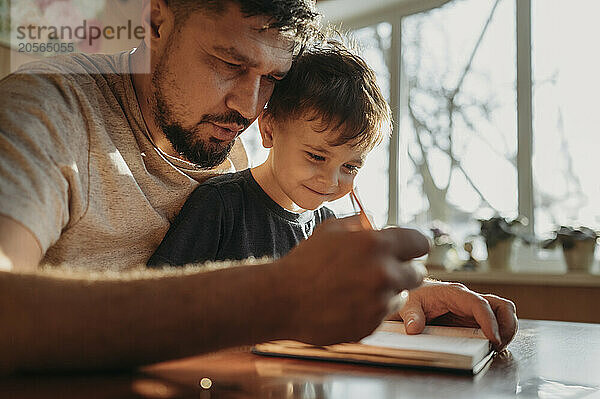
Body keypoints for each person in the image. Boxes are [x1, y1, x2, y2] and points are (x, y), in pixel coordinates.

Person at [0, 0, 517, 373]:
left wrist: (398, 299)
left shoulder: (234, 145)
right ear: (156, 22)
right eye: (230, 64)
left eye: (272, 78)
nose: (250, 109)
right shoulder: (49, 112)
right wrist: (275, 296)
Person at [147, 40, 389, 267]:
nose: (331, 181)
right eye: (317, 156)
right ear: (270, 130)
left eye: (350, 167)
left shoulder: (328, 227)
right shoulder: (220, 205)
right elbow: (158, 297)